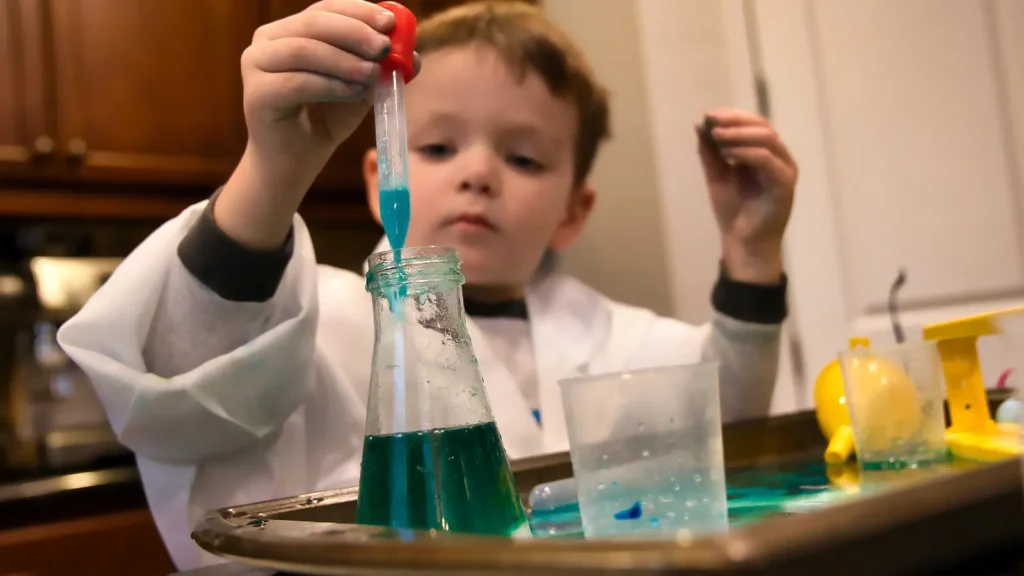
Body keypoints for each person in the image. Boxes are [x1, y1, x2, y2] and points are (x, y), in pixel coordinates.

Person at [57, 0, 798, 569]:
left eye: (525, 160)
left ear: (574, 213)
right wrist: (276, 167)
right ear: (383, 177)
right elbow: (182, 392)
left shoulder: (620, 337)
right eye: (439, 146)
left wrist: (751, 251)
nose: (478, 173)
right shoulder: (313, 321)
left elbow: (718, 434)